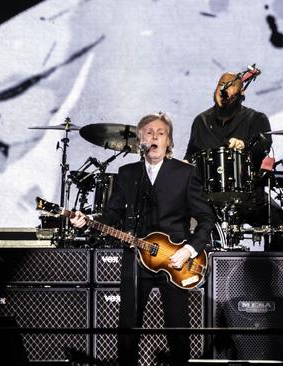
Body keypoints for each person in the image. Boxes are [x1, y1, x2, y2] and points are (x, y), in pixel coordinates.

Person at [70, 113, 216, 365]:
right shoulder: (127, 172)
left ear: (168, 141)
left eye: (161, 133)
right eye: (149, 132)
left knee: (177, 325)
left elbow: (206, 218)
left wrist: (190, 250)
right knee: (127, 323)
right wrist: (88, 221)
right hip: (136, 257)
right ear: (140, 139)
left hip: (175, 260)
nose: (155, 137)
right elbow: (112, 214)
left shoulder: (185, 173)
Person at [184, 71, 276, 226]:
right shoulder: (201, 121)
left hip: (249, 195)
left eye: (231, 85)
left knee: (277, 222)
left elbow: (263, 146)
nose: (224, 89)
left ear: (242, 92)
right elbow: (191, 155)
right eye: (221, 84)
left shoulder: (256, 118)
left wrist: (245, 145)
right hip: (207, 198)